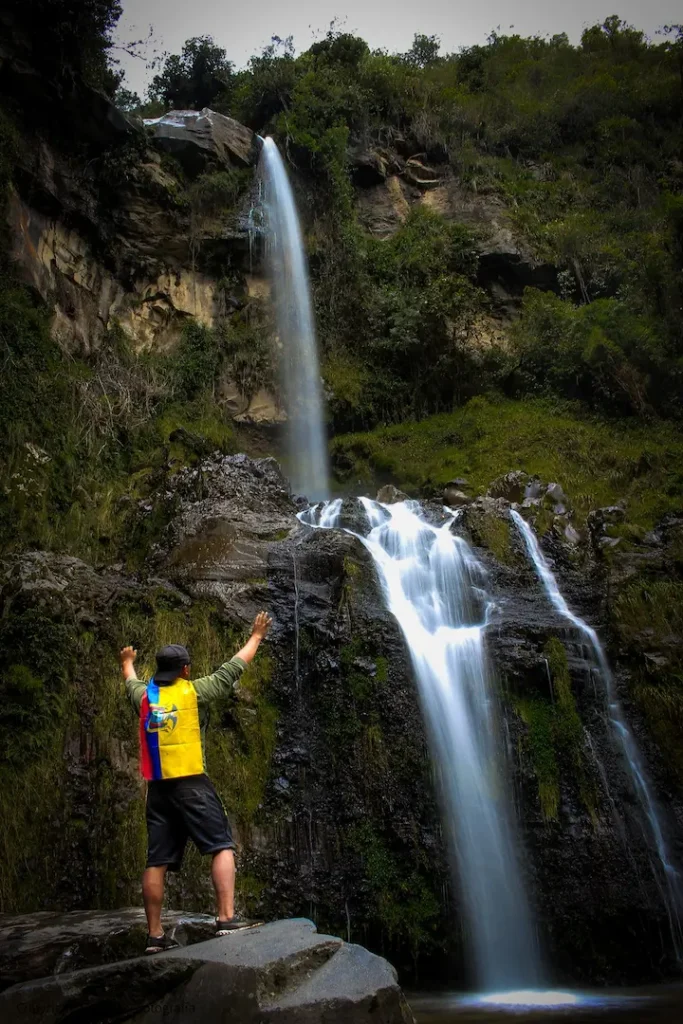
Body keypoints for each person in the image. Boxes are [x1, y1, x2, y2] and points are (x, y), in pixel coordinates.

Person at [120, 610, 273, 954]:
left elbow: (130, 681)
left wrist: (127, 661)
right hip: (192, 784)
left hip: (158, 788)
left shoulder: (144, 698)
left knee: (156, 860)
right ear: (185, 670)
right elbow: (233, 668)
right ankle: (226, 918)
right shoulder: (195, 692)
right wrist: (257, 636)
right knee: (221, 845)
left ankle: (155, 936)